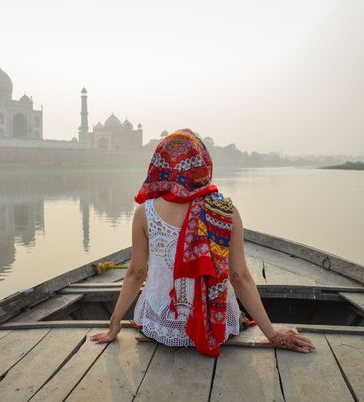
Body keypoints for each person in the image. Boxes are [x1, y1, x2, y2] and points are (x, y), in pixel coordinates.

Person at [89, 129, 315, 355]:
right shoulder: (225, 211)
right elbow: (239, 277)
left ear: (160, 165)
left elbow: (136, 273)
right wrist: (273, 335)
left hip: (162, 326)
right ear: (203, 165)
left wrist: (115, 322)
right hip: (219, 327)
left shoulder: (144, 213)